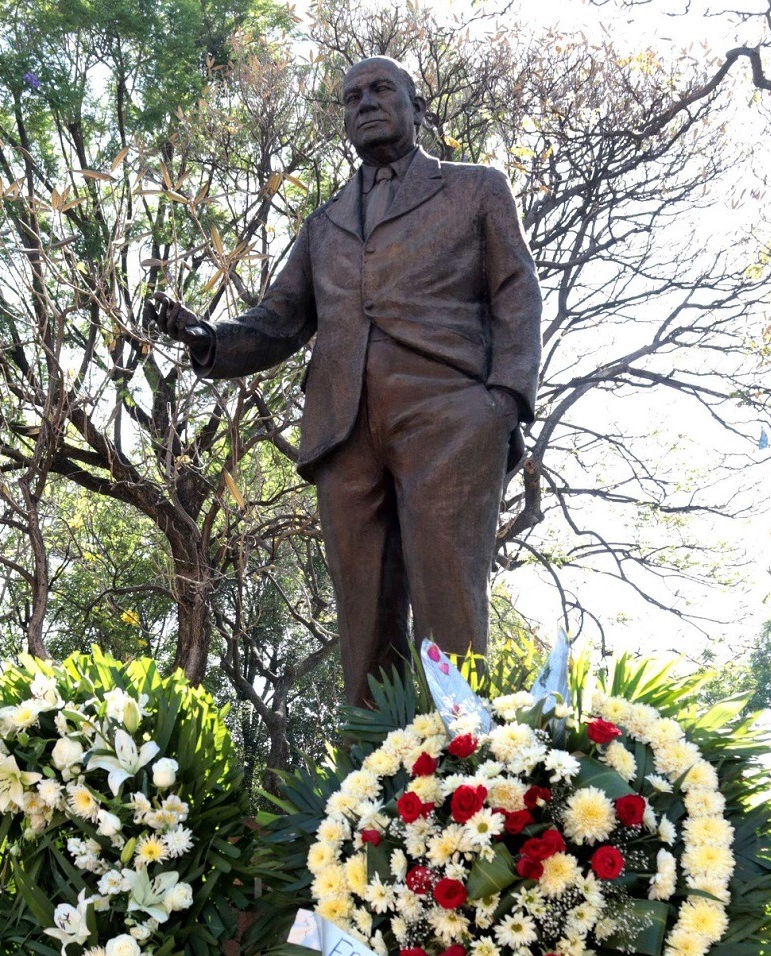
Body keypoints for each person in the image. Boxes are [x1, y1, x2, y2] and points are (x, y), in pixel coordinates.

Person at [146, 56, 543, 705]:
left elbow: (516, 291)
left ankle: (468, 782)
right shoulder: (325, 223)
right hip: (343, 432)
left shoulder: (476, 189)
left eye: (381, 89)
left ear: (418, 107)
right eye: (351, 96)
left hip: (450, 415)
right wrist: (211, 338)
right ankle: (370, 782)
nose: (364, 102)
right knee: (363, 625)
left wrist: (502, 401)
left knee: (450, 611)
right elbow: (279, 319)